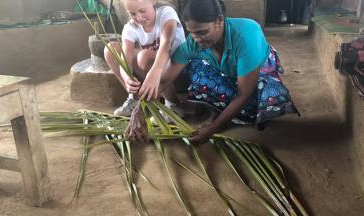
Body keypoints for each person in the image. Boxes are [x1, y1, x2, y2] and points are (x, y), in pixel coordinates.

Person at [126, 0, 299, 144]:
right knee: (199, 77)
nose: (197, 39)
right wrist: (139, 110)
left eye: (202, 32)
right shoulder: (194, 42)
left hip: (257, 69)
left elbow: (244, 93)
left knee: (259, 100)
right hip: (227, 71)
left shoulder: (246, 37)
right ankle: (217, 108)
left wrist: (212, 128)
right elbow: (163, 80)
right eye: (192, 32)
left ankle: (219, 113)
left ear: (219, 21)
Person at [104, 0, 186, 117]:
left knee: (145, 56)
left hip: (177, 71)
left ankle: (173, 105)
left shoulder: (166, 13)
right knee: (111, 50)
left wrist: (154, 72)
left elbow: (166, 44)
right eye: (132, 13)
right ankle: (135, 98)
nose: (139, 18)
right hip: (152, 78)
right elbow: (125, 59)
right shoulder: (130, 27)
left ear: (152, 1)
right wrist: (126, 77)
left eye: (142, 11)